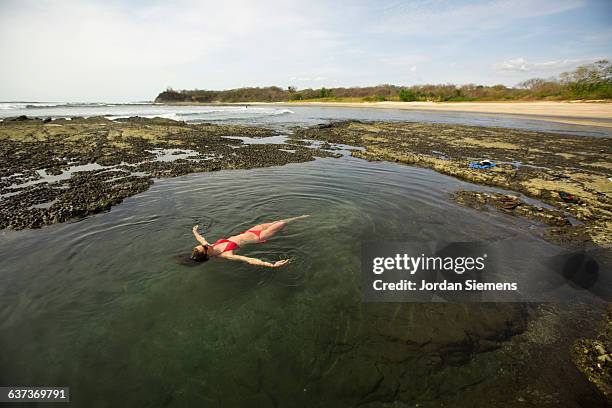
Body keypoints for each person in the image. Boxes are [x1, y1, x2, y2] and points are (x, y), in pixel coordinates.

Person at [190, 215, 310, 267]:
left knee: (277, 222)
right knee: (282, 223)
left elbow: (201, 239)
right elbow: (249, 260)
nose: (205, 244)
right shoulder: (226, 254)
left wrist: (194, 231)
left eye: (203, 245)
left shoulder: (211, 245)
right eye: (204, 247)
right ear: (207, 254)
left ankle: (293, 222)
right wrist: (271, 264)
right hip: (260, 237)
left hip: (250, 231)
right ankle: (300, 219)